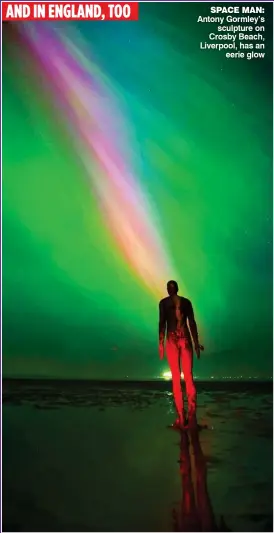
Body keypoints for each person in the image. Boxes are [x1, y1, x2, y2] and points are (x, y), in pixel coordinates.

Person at [158, 280, 204, 429]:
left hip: (172, 338)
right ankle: (191, 419)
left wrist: (160, 344)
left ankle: (181, 418)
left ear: (168, 289)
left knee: (176, 378)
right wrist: (196, 343)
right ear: (176, 289)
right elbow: (192, 323)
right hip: (185, 338)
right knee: (189, 377)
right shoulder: (186, 302)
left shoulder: (164, 303)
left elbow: (162, 323)